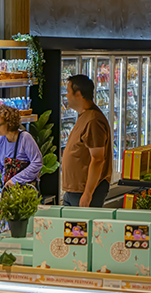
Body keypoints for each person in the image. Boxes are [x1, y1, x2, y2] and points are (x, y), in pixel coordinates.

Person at [62, 75, 113, 207]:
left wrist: (88, 194)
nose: (66, 96)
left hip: (84, 192)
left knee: (81, 227)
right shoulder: (84, 116)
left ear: (78, 94)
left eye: (68, 92)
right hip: (74, 191)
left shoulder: (93, 120)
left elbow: (98, 159)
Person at [0, 104, 43, 198]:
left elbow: (37, 163)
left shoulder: (25, 138)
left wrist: (15, 180)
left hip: (26, 193)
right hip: (8, 192)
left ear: (10, 124)